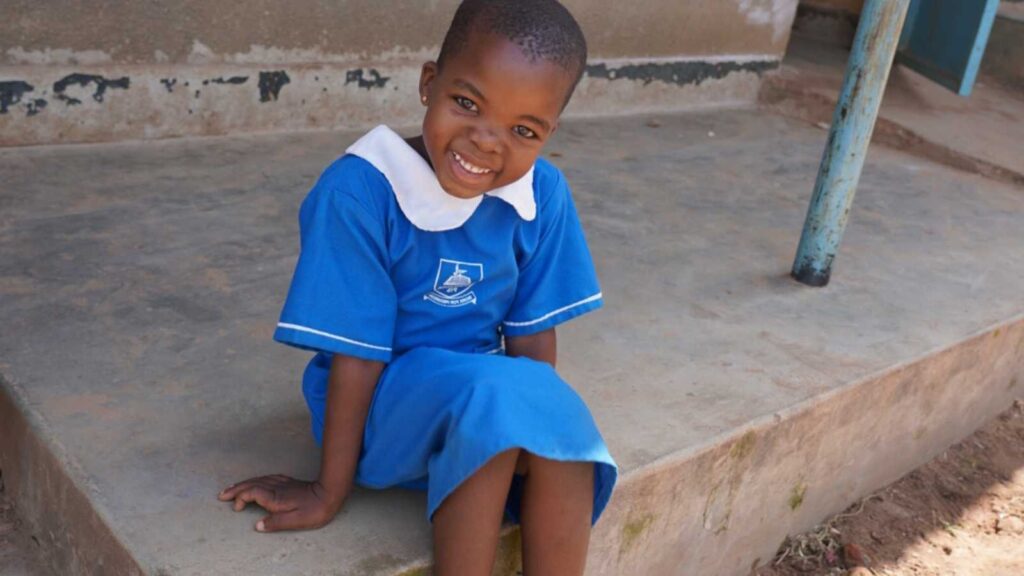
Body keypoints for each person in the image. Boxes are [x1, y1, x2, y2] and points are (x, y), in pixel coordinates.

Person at [218, 1, 616, 573]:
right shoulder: (360, 192)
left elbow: (532, 343)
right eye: (467, 103)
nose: (485, 141)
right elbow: (357, 353)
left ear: (548, 134)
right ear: (429, 83)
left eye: (523, 129)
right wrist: (329, 490)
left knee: (554, 419)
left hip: (475, 405)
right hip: (381, 414)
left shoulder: (541, 194)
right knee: (497, 404)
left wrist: (538, 433)